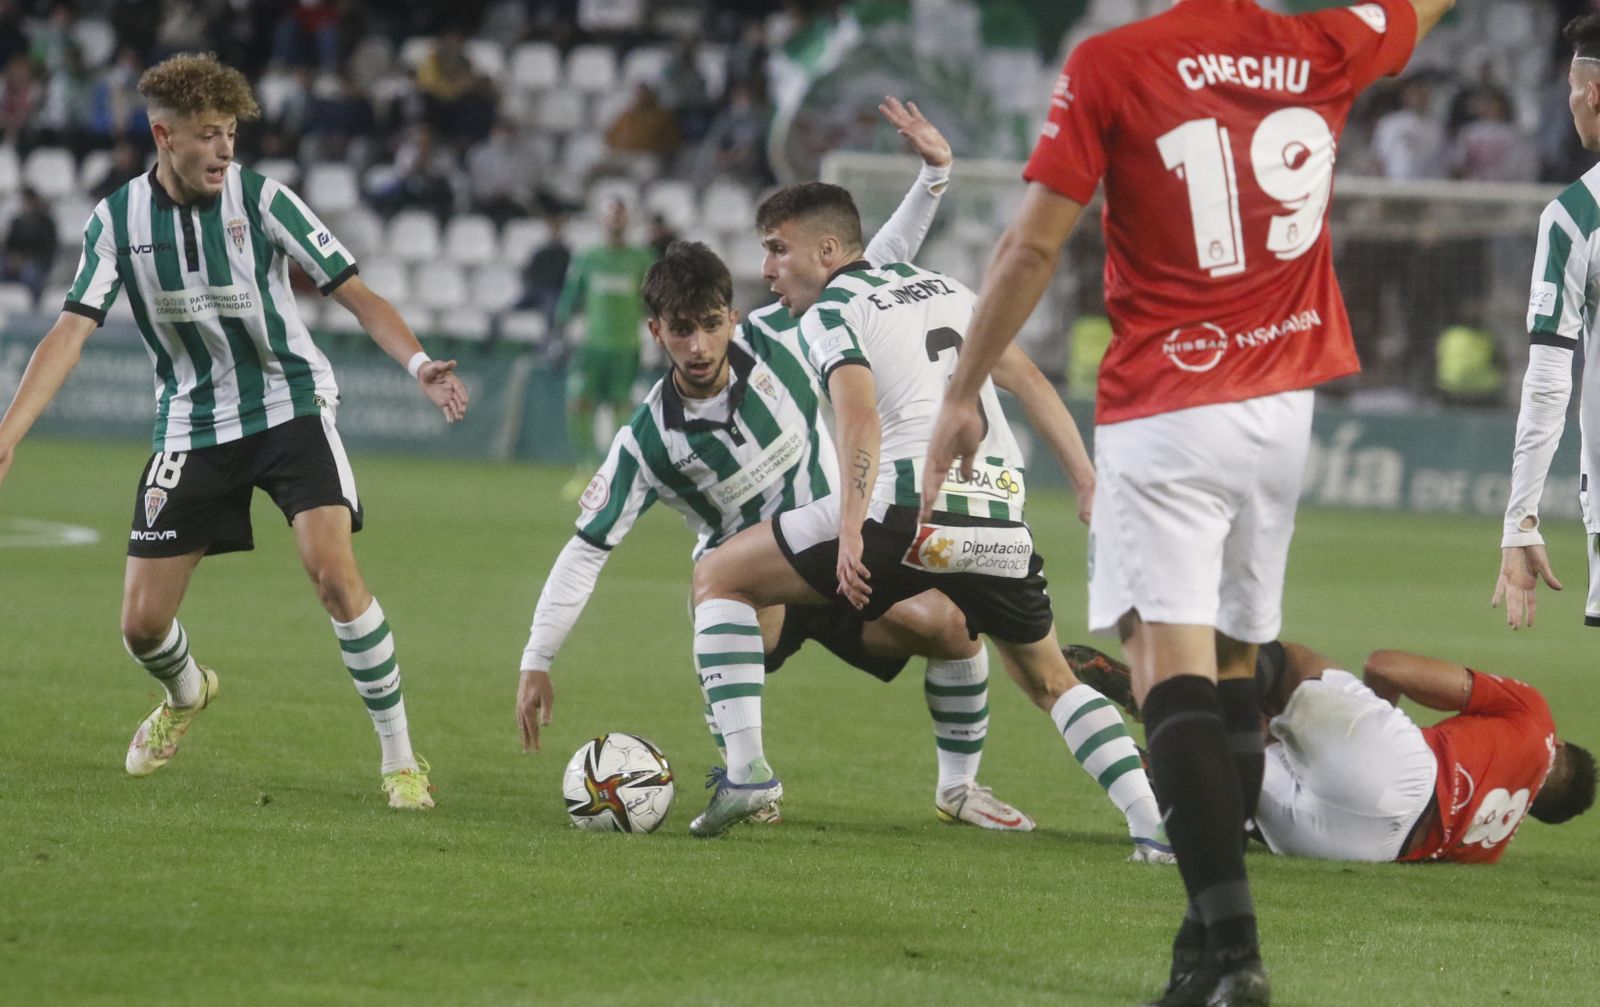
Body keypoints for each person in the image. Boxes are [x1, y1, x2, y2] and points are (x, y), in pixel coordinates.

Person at [918, 1, 1454, 1003]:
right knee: (1241, 658)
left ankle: (1233, 946)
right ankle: (1202, 942)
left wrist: (961, 393)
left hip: (1169, 406)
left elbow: (1029, 250)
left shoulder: (1113, 62)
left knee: (1166, 667)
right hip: (1284, 407)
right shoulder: (1322, 42)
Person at [518, 99, 1038, 831]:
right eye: (679, 331)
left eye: (708, 326)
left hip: (836, 550)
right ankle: (748, 772)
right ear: (655, 332)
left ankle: (958, 787)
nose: (697, 347)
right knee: (716, 593)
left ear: (732, 317)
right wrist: (535, 658)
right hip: (763, 583)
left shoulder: (780, 336)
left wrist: (934, 176)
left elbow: (872, 265)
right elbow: (585, 550)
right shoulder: (646, 439)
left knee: (952, 627)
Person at [0, 53, 469, 809]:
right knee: (143, 624)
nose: (225, 149)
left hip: (290, 405)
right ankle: (187, 694)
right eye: (207, 135)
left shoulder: (265, 202)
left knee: (332, 570)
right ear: (163, 135)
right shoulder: (116, 221)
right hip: (190, 422)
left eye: (230, 133)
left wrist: (418, 364)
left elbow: (358, 293)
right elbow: (69, 331)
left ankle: (401, 759)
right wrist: (10, 431)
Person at [682, 179, 1168, 863]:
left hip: (903, 510)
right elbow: (1030, 381)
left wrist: (852, 527)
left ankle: (747, 774)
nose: (766, 269)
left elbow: (858, 415)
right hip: (1001, 521)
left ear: (827, 250)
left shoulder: (829, 313)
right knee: (1051, 678)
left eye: (776, 250)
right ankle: (1153, 829)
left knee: (720, 573)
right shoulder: (949, 289)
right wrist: (1087, 482)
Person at [1067, 641, 1596, 864]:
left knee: (1288, 667)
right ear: (1534, 810)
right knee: (1235, 760)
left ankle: (1157, 690)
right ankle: (1163, 773)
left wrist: (1367, 716)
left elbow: (1386, 666)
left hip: (1408, 769)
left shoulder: (1535, 721)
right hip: (1361, 849)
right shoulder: (1493, 846)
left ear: (1560, 750)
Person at [1495, 14, 1600, 634]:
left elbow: (1548, 381)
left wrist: (1521, 519)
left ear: (1594, 92)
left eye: (1569, 86)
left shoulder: (1575, 218)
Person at [554, 197, 656, 491]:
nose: (615, 221)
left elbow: (654, 300)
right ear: (602, 220)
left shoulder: (642, 259)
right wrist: (559, 329)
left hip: (626, 344)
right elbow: (571, 296)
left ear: (628, 221)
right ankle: (585, 467)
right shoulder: (588, 257)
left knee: (620, 405)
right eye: (611, 215)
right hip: (592, 344)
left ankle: (614, 471)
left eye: (620, 215)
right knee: (579, 401)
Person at [2, 187, 59, 306]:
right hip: (15, 263)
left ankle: (34, 306)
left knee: (30, 272)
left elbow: (47, 250)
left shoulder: (46, 223)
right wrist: (12, 258)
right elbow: (9, 244)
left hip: (37, 263)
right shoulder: (16, 222)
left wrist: (24, 259)